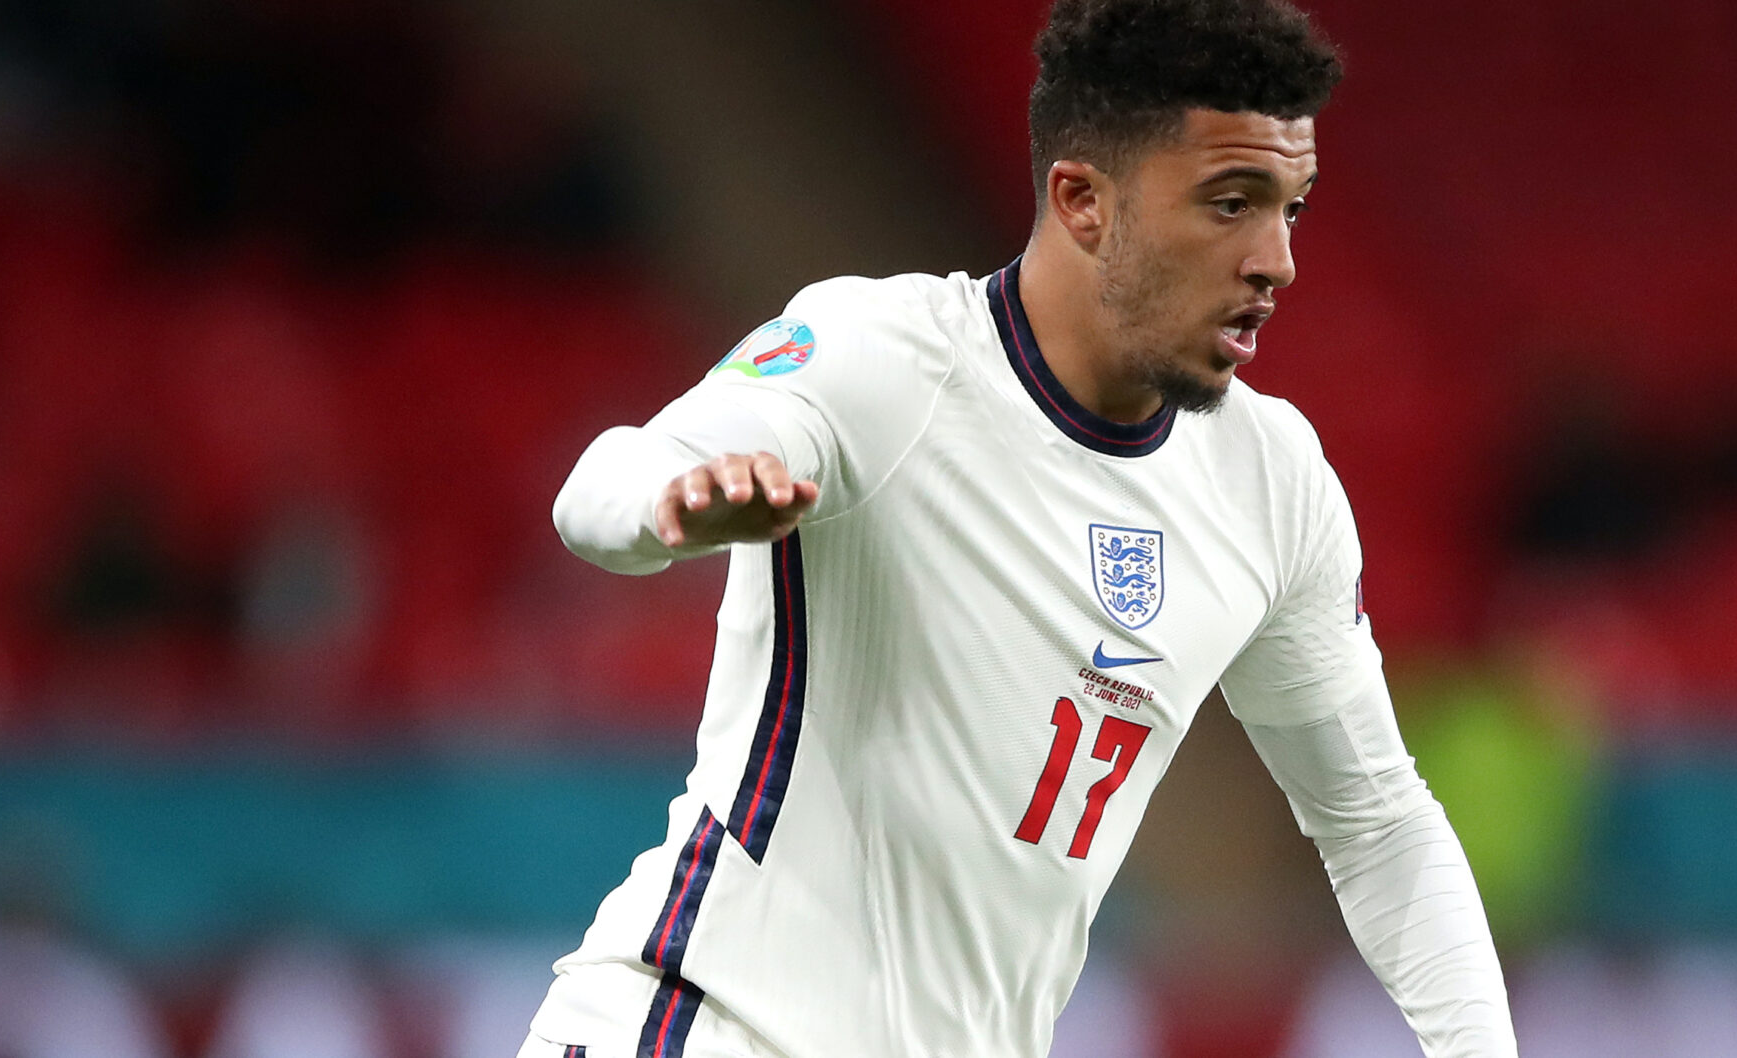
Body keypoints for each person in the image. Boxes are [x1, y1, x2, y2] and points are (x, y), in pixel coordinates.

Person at [524, 1, 1519, 1056]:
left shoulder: (1272, 485)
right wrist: (673, 503)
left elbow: (1377, 823)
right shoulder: (887, 358)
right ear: (1083, 201)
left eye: (1290, 209)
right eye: (1230, 204)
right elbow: (599, 488)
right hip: (700, 1026)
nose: (1275, 259)